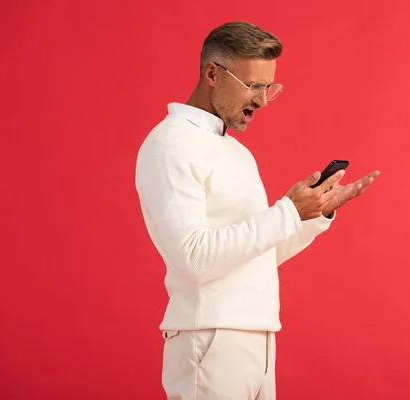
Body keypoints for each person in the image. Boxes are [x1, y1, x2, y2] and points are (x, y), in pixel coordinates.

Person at [135, 21, 380, 400]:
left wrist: (310, 216)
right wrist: (286, 211)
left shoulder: (236, 152)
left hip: (258, 338)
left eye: (269, 87)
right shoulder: (171, 143)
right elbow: (194, 259)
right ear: (212, 74)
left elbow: (254, 257)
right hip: (210, 341)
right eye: (253, 85)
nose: (263, 100)